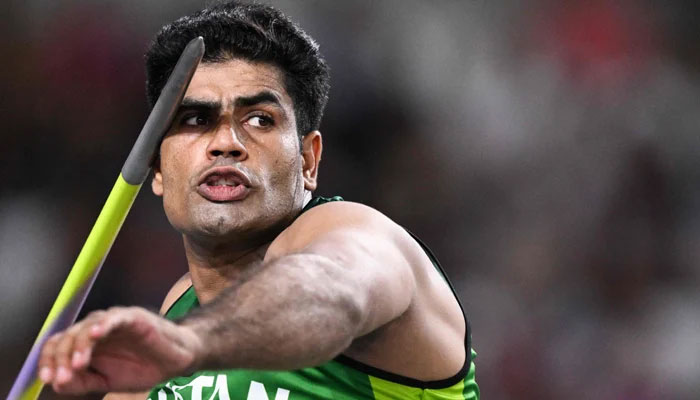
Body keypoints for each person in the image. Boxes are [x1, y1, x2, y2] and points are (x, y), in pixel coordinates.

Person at [37, 2, 479, 399]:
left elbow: (333, 289)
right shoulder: (178, 315)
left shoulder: (361, 236)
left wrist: (188, 344)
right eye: (196, 119)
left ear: (308, 160)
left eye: (259, 119)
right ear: (157, 169)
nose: (226, 143)